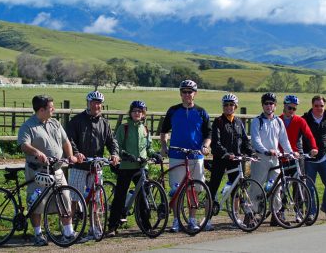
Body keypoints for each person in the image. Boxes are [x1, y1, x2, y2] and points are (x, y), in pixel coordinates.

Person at [18, 95, 78, 246]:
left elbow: (66, 142)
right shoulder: (28, 126)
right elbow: (24, 145)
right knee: (37, 203)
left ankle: (68, 232)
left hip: (57, 170)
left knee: (65, 198)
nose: (54, 109)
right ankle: (38, 234)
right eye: (51, 107)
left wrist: (70, 156)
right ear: (41, 110)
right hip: (38, 172)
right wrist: (37, 152)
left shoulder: (55, 123)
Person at [66, 90, 120, 240]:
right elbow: (69, 140)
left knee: (96, 199)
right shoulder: (77, 120)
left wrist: (114, 153)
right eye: (94, 102)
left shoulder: (104, 123)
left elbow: (111, 141)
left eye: (99, 103)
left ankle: (94, 227)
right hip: (80, 166)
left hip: (96, 166)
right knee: (74, 197)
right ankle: (68, 229)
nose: (97, 106)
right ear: (88, 103)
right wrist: (76, 153)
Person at [160, 79, 212, 232]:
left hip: (196, 156)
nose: (187, 94)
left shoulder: (202, 112)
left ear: (195, 93)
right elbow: (164, 131)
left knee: (195, 189)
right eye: (184, 92)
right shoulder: (173, 110)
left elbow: (208, 133)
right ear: (180, 94)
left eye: (190, 92)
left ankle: (192, 219)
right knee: (176, 190)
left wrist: (205, 146)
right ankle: (176, 220)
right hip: (177, 154)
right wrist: (164, 147)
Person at [106, 101, 163, 237]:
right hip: (126, 166)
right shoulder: (124, 128)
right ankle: (112, 226)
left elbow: (148, 148)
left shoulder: (145, 129)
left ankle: (146, 227)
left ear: (144, 114)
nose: (137, 113)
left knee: (143, 197)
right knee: (120, 196)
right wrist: (125, 155)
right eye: (135, 111)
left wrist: (154, 154)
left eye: (140, 111)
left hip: (141, 167)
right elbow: (117, 146)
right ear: (130, 113)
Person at [206, 93, 253, 231]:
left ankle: (235, 217)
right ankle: (207, 219)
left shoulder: (238, 122)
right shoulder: (218, 121)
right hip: (221, 159)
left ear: (235, 106)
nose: (228, 107)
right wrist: (226, 154)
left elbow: (244, 141)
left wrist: (251, 153)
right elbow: (216, 142)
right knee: (213, 188)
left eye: (231, 105)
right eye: (226, 105)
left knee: (236, 190)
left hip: (236, 160)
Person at [250, 92, 294, 226]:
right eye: (266, 103)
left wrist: (290, 153)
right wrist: (265, 150)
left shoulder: (278, 121)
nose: (269, 106)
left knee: (277, 187)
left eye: (271, 103)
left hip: (275, 159)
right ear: (263, 106)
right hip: (261, 158)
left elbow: (284, 140)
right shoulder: (257, 121)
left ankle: (276, 214)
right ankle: (251, 214)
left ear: (275, 106)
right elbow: (256, 140)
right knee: (257, 187)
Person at [302, 95, 326, 220]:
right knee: (309, 186)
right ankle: (311, 212)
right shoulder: (304, 120)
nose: (319, 108)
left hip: (325, 158)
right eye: (316, 106)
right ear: (312, 105)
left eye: (321, 106)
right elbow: (298, 137)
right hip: (309, 160)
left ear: (325, 106)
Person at [279, 94, 319, 171]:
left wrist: (314, 147)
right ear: (284, 106)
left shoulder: (300, 121)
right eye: (290, 108)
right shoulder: (277, 120)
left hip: (296, 156)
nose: (291, 110)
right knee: (281, 181)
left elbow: (309, 135)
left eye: (294, 109)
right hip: (282, 156)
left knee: (299, 181)